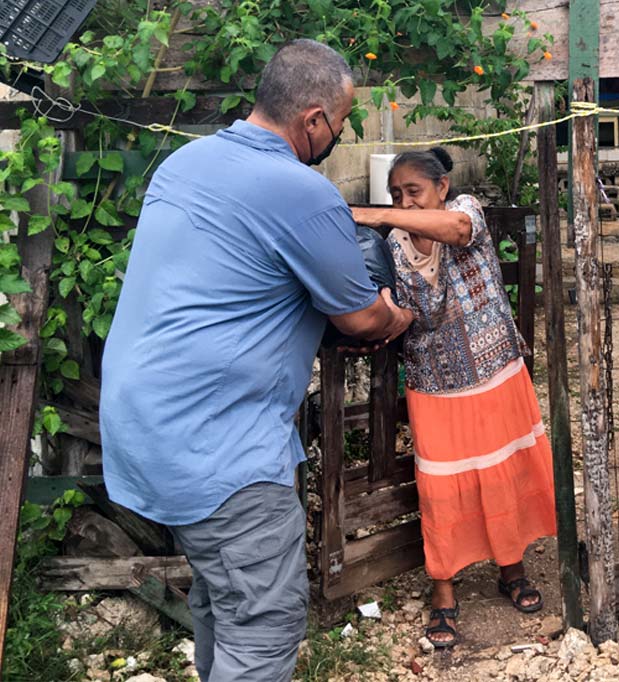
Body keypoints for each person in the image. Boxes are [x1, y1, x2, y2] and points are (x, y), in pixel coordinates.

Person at [99, 40, 412, 682]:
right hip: (220, 451)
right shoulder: (300, 191)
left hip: (141, 431)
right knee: (264, 628)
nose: (342, 134)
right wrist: (398, 313)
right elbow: (360, 319)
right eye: (344, 122)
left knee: (222, 599)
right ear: (315, 121)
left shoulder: (185, 163)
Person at [351, 148, 557, 648]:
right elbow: (397, 311)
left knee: (504, 471)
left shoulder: (467, 211)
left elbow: (458, 232)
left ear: (442, 188)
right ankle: (443, 589)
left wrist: (374, 213)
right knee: (441, 487)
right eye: (396, 195)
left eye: (413, 192)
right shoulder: (393, 249)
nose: (404, 202)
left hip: (496, 371)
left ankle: (511, 568)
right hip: (436, 382)